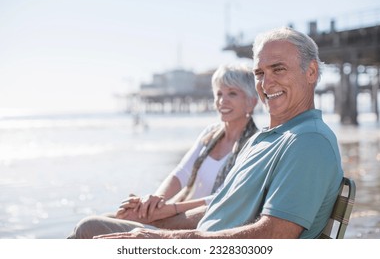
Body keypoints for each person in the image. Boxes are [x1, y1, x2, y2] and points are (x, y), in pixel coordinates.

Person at [94, 27, 344, 239]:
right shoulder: (263, 139)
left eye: (278, 69)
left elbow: (274, 235)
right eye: (259, 73)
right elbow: (219, 207)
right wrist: (157, 219)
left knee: (88, 229)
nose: (266, 84)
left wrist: (167, 239)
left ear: (311, 72)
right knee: (102, 225)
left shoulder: (308, 141)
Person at [67, 64, 259, 238]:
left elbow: (224, 198)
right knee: (103, 219)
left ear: (251, 102)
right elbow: (181, 173)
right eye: (219, 94)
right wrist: (153, 204)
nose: (222, 101)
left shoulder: (255, 145)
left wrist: (170, 209)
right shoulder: (210, 133)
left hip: (193, 229)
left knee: (89, 226)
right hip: (173, 216)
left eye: (232, 94)